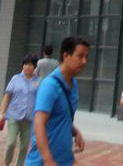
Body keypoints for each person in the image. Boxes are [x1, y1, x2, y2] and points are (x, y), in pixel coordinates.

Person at [25, 36, 90, 166]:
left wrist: (75, 132)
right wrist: (48, 160)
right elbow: (39, 123)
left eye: (86, 57)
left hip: (65, 160)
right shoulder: (50, 86)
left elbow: (61, 116)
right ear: (66, 56)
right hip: (42, 162)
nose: (84, 61)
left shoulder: (73, 84)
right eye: (80, 56)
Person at [0, 55, 40, 166]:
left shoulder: (38, 82)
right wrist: (2, 114)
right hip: (14, 116)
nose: (27, 67)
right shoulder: (15, 79)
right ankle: (7, 163)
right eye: (25, 64)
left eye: (30, 65)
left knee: (24, 147)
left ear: (34, 67)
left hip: (29, 119)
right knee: (11, 143)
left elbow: (40, 100)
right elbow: (7, 97)